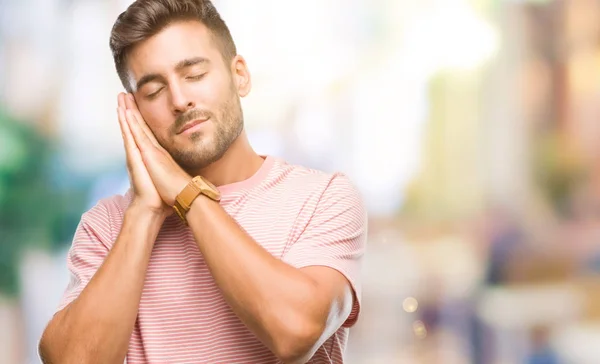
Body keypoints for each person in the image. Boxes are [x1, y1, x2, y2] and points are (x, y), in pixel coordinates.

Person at [38, 0, 367, 363]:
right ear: (134, 112)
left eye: (194, 75)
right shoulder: (107, 226)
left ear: (239, 75)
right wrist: (145, 212)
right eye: (154, 91)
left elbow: (294, 332)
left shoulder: (322, 198)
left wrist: (187, 194)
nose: (180, 100)